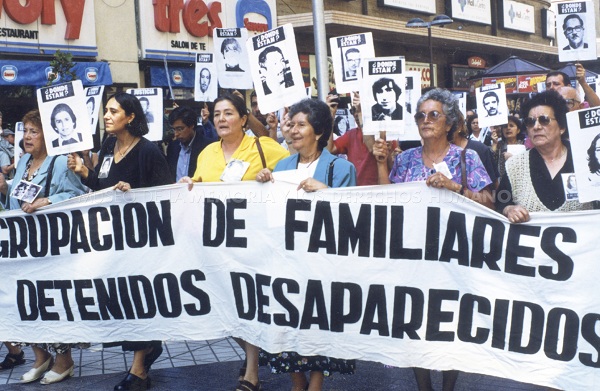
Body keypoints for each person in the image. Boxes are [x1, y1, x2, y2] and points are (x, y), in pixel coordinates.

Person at [373, 88, 493, 391]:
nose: (426, 120)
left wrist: (454, 186)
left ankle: (448, 387)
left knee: (452, 326)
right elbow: (388, 201)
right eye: (421, 115)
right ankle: (424, 387)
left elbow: (490, 202)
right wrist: (381, 164)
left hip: (456, 255)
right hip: (415, 256)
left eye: (434, 115)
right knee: (416, 326)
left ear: (450, 123)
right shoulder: (406, 159)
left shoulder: (467, 157)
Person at [179, 93, 288, 391]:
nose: (221, 119)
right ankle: (257, 350)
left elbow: (293, 174)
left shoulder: (264, 146)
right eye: (216, 114)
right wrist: (189, 184)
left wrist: (271, 178)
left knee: (248, 302)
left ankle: (250, 374)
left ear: (243, 119)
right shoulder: (207, 152)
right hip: (217, 244)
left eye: (228, 113)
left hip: (255, 241)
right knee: (224, 306)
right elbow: (199, 184)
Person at [67, 92, 172, 391]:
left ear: (131, 117)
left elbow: (165, 195)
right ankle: (148, 348)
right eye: (106, 111)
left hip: (144, 242)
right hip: (114, 241)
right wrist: (84, 172)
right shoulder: (109, 145)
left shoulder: (149, 152)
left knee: (140, 299)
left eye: (114, 111)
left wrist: (134, 191)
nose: (107, 116)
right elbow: (103, 186)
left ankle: (139, 369)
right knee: (124, 300)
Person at [256, 98, 356, 391]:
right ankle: (297, 384)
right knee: (292, 324)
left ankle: (314, 385)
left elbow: (351, 215)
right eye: (292, 125)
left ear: (320, 131)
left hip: (324, 263)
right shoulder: (282, 165)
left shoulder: (340, 167)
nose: (295, 131)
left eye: (302, 125)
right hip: (289, 261)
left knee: (319, 325)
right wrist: (264, 181)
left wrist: (325, 192)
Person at [0, 109, 88, 384]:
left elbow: (77, 195)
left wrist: (46, 202)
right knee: (24, 302)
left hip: (51, 247)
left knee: (50, 302)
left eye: (33, 131)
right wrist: (4, 189)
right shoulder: (24, 160)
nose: (26, 137)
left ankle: (64, 361)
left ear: (47, 136)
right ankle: (40, 357)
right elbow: (15, 203)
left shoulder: (60, 162)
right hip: (23, 249)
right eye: (25, 130)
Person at [496, 90, 594, 223]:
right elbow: (501, 201)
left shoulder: (585, 159)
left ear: (562, 127)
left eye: (544, 120)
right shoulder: (515, 166)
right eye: (530, 122)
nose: (536, 127)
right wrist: (509, 209)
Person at [166, 106, 218, 181]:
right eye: (174, 129)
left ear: (191, 126)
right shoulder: (172, 147)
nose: (176, 134)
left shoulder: (207, 147)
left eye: (180, 129)